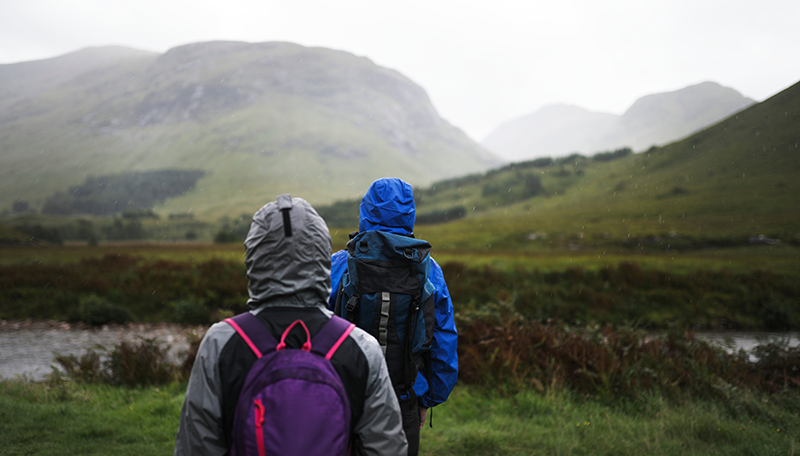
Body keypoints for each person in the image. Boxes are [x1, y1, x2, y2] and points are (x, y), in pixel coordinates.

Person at [175, 195, 407, 456]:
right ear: (321, 257)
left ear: (254, 256)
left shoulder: (221, 342)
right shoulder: (362, 348)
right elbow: (386, 449)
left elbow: (196, 447)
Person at [328, 178, 458, 456]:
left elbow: (315, 328)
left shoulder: (340, 264)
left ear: (366, 211)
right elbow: (443, 338)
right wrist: (428, 398)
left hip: (343, 397)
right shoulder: (429, 270)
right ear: (409, 214)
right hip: (403, 399)